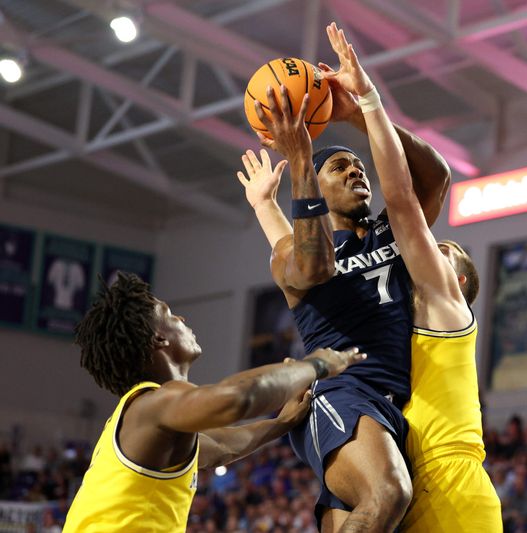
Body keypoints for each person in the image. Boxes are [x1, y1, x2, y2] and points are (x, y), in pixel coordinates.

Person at [237, 22, 451, 532]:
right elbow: (316, 267)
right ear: (316, 184)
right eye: (342, 168)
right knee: (389, 493)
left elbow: (437, 178)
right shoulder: (290, 251)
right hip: (342, 394)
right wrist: (302, 162)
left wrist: (359, 115)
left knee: (373, 515)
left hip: (397, 404)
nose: (358, 171)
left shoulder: (391, 235)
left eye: (360, 167)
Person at [313, 26, 501, 531]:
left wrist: (367, 105)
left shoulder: (446, 309)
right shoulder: (397, 327)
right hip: (411, 487)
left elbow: (404, 197)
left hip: (455, 490)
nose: (429, 250)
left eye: (445, 255)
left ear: (457, 283)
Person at [63, 273, 364, 532]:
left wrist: (280, 424)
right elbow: (238, 398)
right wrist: (315, 365)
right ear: (159, 339)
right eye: (170, 315)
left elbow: (221, 447)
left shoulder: (141, 420)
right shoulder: (154, 403)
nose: (182, 319)